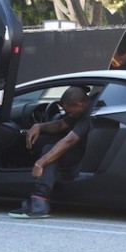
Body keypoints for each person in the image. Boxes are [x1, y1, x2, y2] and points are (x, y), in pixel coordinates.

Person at [8, 86, 92, 219]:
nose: (68, 114)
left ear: (79, 104)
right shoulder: (80, 111)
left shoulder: (90, 116)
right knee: (43, 142)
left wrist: (40, 163)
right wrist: (39, 126)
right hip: (81, 152)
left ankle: (39, 201)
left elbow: (69, 141)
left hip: (83, 158)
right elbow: (60, 125)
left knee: (49, 150)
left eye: (69, 112)